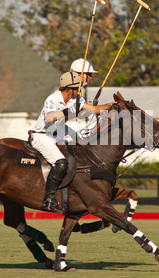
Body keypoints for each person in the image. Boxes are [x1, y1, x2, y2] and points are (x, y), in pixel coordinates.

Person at [31, 70, 113, 213]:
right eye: (77, 88)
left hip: (57, 134)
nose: (79, 90)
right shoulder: (53, 99)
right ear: (69, 89)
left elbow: (94, 109)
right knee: (61, 163)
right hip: (41, 135)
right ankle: (48, 200)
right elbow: (50, 118)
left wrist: (111, 105)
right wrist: (67, 112)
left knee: (80, 151)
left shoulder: (75, 100)